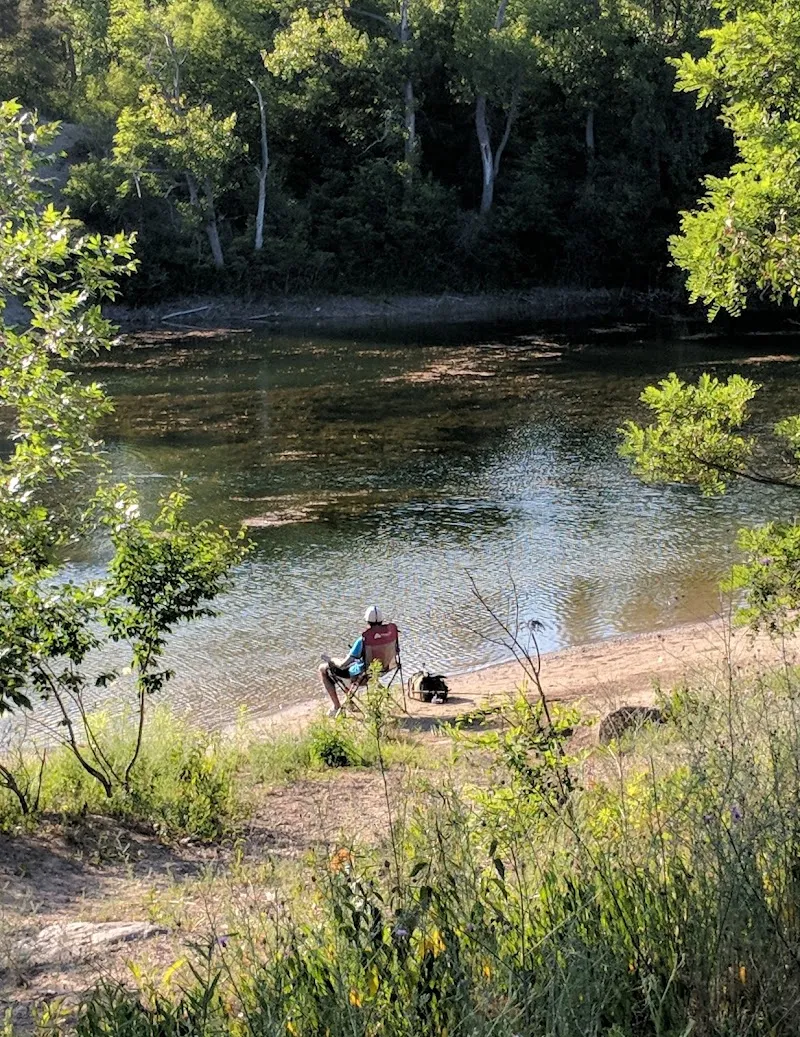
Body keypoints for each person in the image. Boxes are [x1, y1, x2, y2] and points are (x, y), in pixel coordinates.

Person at [318, 605, 385, 715]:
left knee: (323, 669)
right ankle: (349, 702)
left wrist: (332, 659)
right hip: (380, 672)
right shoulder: (389, 636)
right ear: (382, 620)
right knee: (351, 666)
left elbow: (343, 665)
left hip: (363, 676)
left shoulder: (363, 640)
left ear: (367, 621)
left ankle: (336, 707)